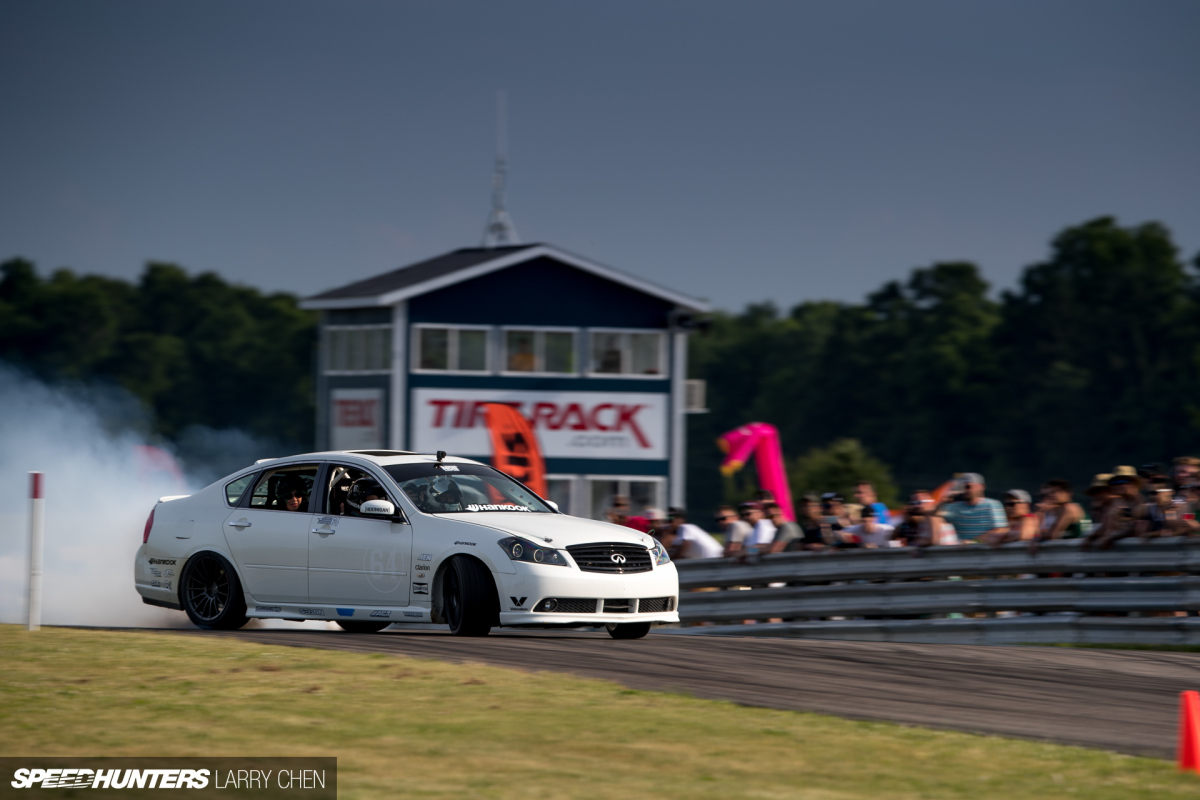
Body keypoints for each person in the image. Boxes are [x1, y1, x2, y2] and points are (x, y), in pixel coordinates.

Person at [1083, 467, 1144, 549]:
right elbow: (1105, 526)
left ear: (1132, 483)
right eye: (1114, 483)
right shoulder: (1118, 501)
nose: (1116, 486)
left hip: (1134, 549)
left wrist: (1111, 537)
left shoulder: (1138, 502)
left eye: (1121, 482)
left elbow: (1134, 528)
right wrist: (1090, 538)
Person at [938, 473, 1007, 543]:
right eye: (962, 487)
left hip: (985, 549)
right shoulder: (954, 507)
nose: (965, 490)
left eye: (968, 487)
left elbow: (1000, 529)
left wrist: (974, 541)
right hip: (960, 550)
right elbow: (937, 520)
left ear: (982, 487)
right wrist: (945, 500)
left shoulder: (992, 505)